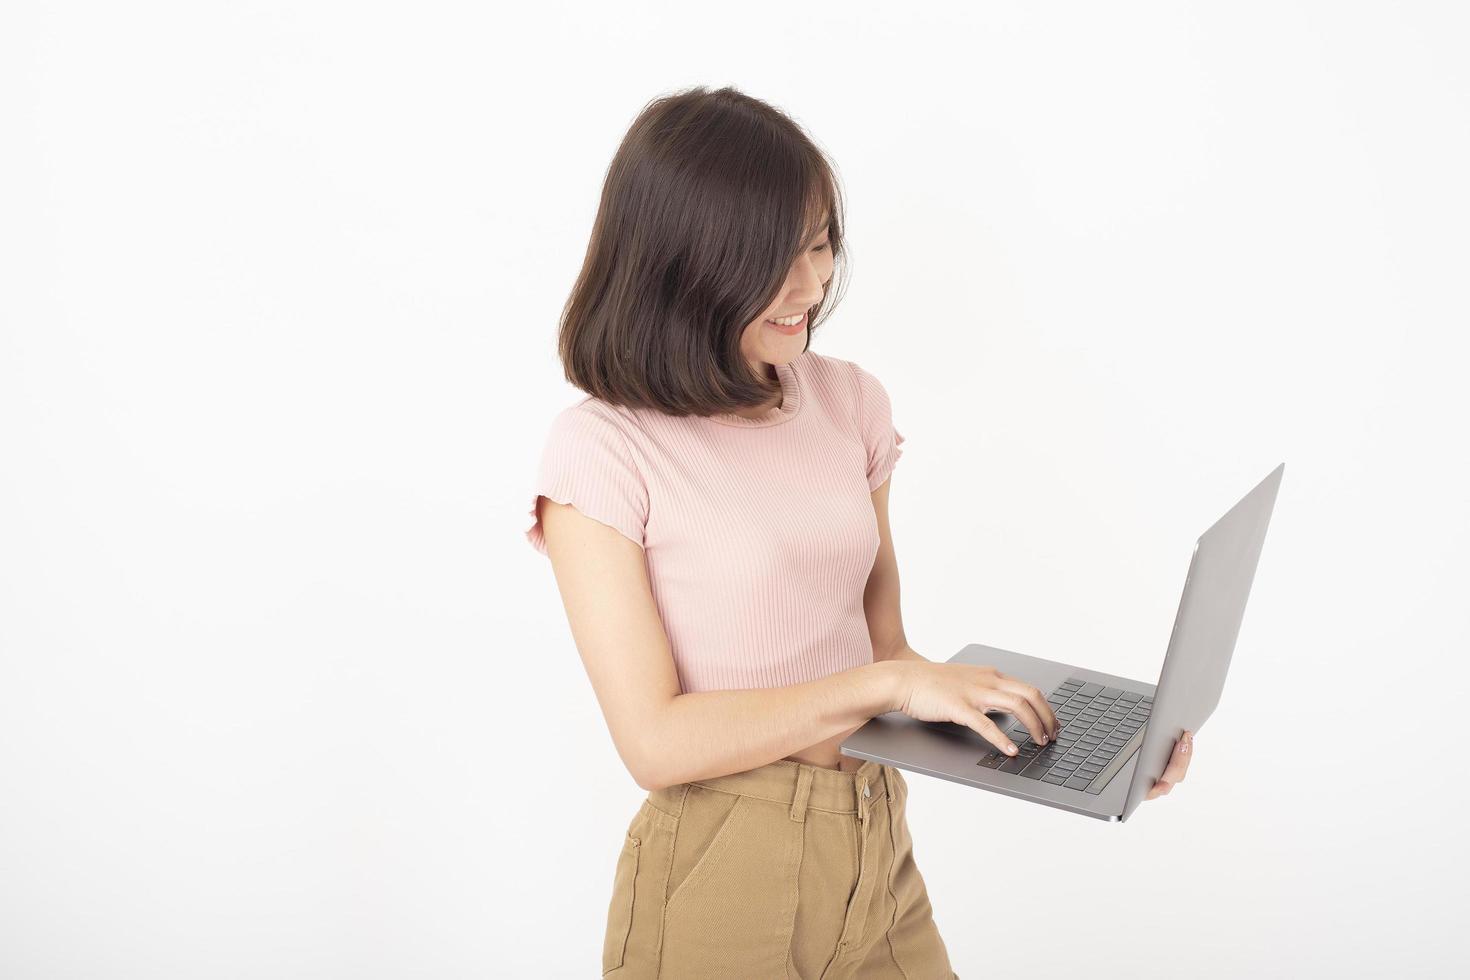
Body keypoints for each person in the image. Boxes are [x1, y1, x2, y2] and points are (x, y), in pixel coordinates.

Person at [524, 84, 1194, 980]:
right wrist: (885, 681)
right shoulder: (604, 449)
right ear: (682, 263)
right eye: (774, 260)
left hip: (874, 845)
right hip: (720, 868)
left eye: (819, 245)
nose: (812, 286)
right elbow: (654, 741)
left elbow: (892, 662)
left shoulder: (848, 403)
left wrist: (1085, 751)